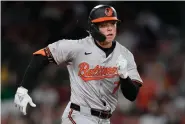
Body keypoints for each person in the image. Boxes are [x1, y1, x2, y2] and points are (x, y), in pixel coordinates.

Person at [14, 4, 143, 124]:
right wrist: (22, 89)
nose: (109, 29)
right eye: (103, 24)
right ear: (93, 27)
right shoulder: (77, 47)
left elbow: (132, 95)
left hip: (104, 119)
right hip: (79, 115)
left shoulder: (125, 54)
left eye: (112, 24)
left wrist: (124, 77)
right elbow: (39, 57)